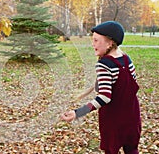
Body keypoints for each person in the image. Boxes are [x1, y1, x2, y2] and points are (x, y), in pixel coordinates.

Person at [60, 21, 141, 154]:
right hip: (132, 117)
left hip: (113, 121)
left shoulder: (104, 64)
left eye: (96, 40)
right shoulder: (127, 59)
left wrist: (77, 113)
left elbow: (104, 97)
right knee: (132, 150)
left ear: (110, 43)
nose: (93, 44)